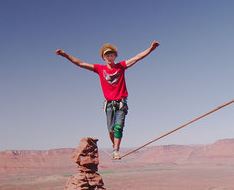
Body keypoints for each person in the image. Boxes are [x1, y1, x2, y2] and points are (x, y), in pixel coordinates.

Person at [56, 40, 160, 159]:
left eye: (112, 55)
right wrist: (65, 55)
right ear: (103, 57)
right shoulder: (100, 69)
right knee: (111, 130)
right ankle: (114, 144)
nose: (110, 57)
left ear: (115, 56)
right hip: (109, 104)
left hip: (121, 102)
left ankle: (116, 150)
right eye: (107, 55)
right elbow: (81, 63)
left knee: (118, 127)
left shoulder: (121, 66)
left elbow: (137, 57)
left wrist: (151, 49)